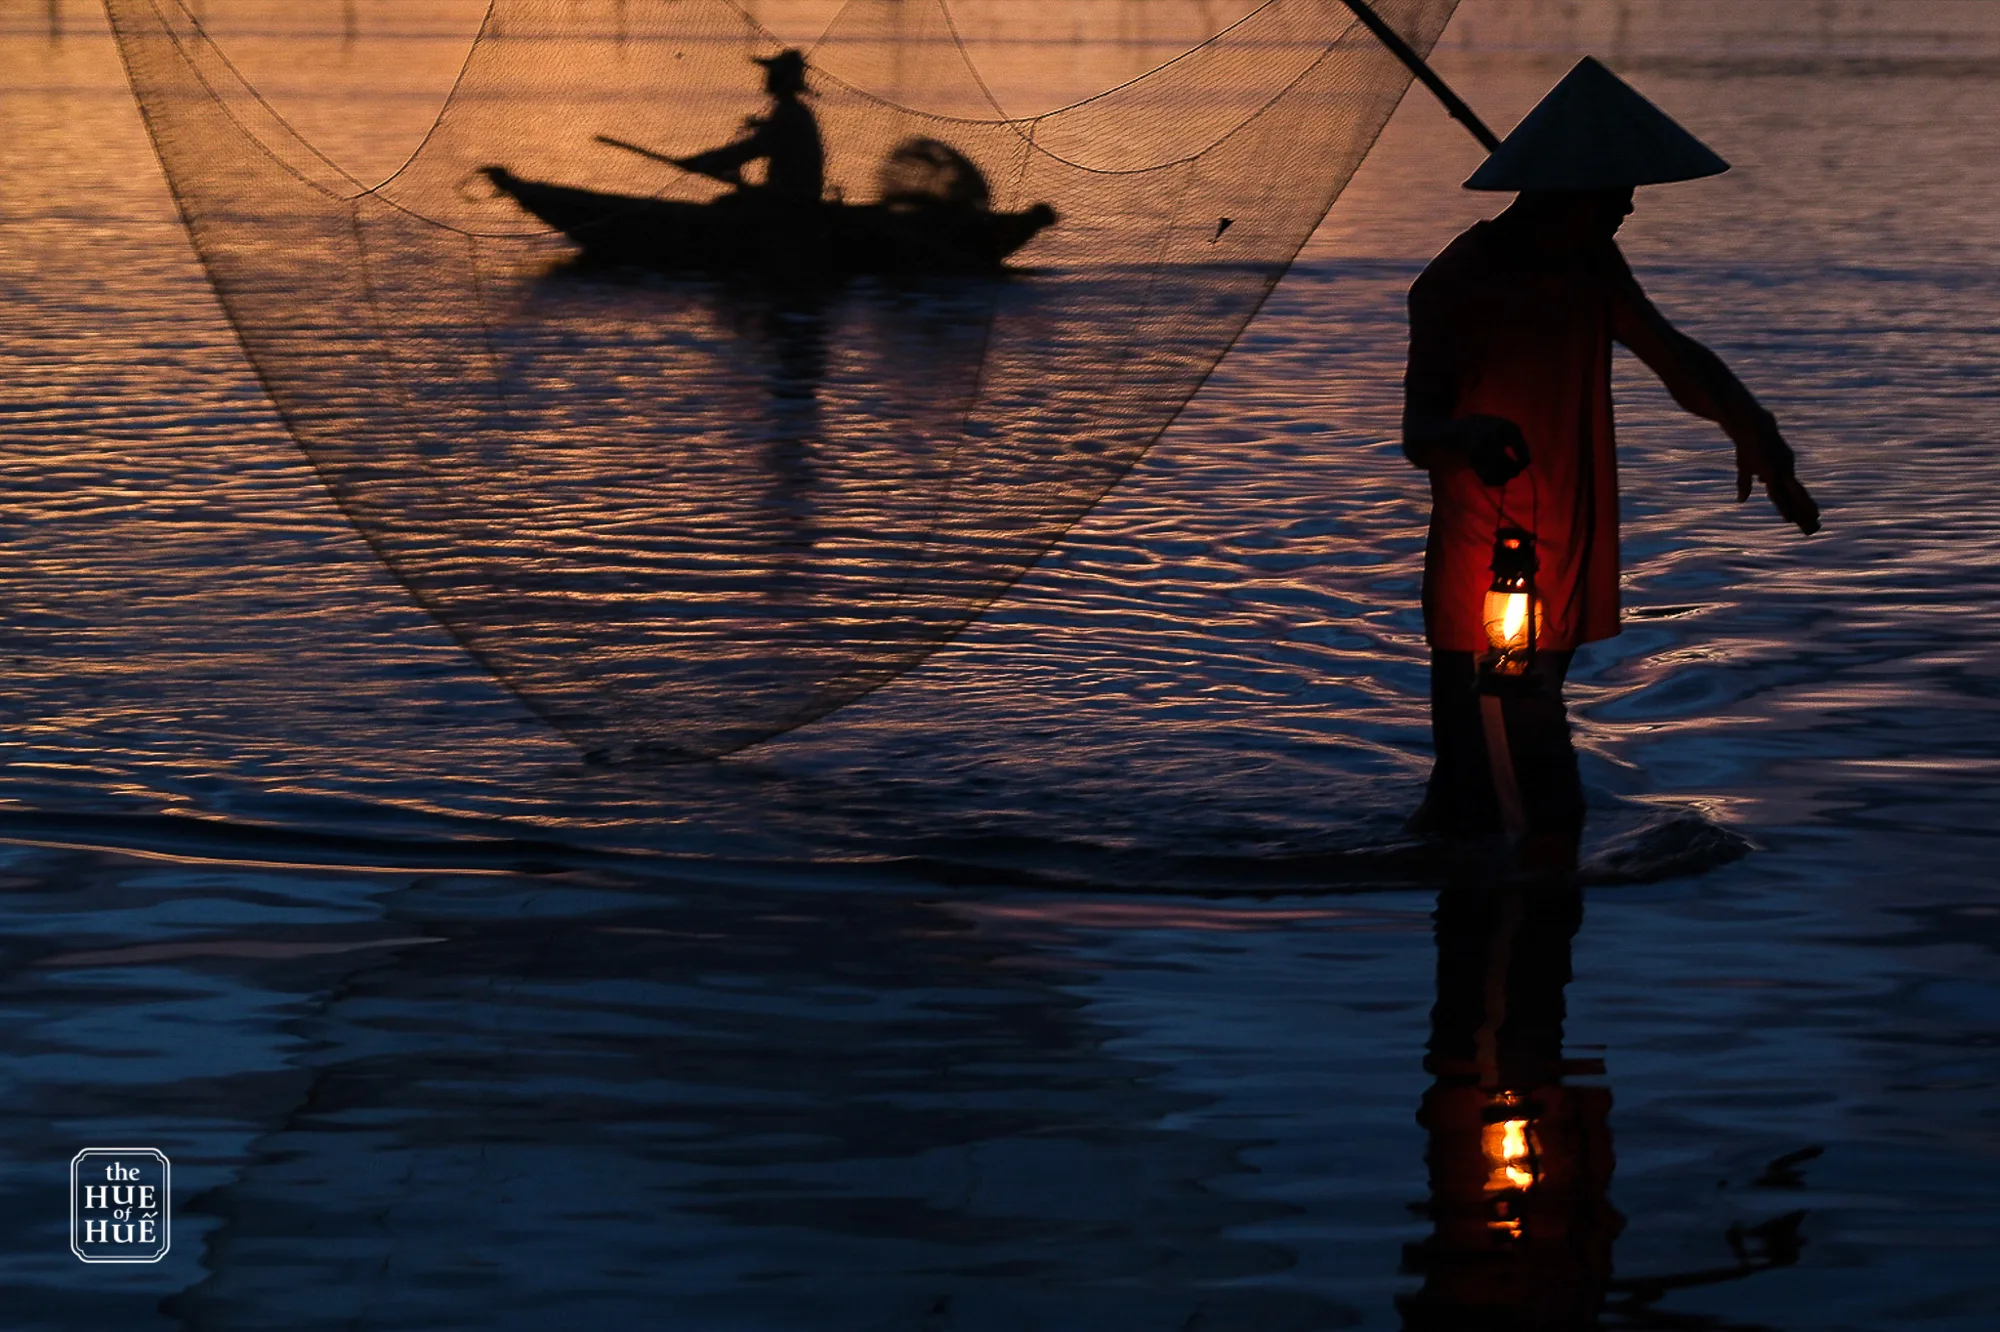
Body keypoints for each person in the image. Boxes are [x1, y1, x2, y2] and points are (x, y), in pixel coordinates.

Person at [1402, 57, 1820, 865]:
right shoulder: (1460, 282)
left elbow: (1675, 359)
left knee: (1479, 790)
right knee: (1538, 803)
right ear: (1565, 188)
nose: (1629, 204)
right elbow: (1420, 430)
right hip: (1496, 579)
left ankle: (1498, 946)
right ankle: (1503, 961)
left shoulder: (1591, 268)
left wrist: (1755, 432)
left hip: (1562, 554)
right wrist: (1469, 433)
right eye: (1614, 190)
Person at [672, 49, 825, 204]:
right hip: (796, 194)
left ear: (782, 78)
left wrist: (702, 161)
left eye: (772, 73)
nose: (767, 78)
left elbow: (748, 150)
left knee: (725, 205)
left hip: (792, 199)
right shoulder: (793, 110)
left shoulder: (789, 114)